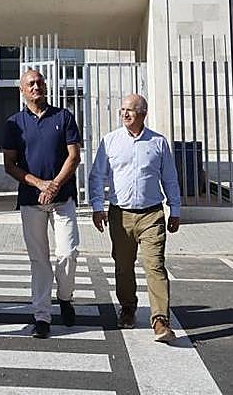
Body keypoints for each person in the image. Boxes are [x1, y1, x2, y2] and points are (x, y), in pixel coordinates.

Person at [88, 92, 181, 343]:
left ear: (143, 114)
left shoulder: (158, 143)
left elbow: (170, 178)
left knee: (155, 266)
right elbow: (97, 176)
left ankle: (160, 319)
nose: (125, 114)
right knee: (123, 267)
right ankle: (128, 308)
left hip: (152, 214)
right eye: (122, 110)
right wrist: (98, 207)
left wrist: (176, 209)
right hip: (120, 215)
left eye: (130, 110)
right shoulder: (110, 141)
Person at [2, 68, 82, 338]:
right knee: (39, 260)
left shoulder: (64, 116)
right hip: (30, 199)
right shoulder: (14, 123)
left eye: (39, 82)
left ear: (45, 86)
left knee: (68, 252)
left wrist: (55, 185)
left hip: (63, 199)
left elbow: (74, 157)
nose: (36, 86)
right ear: (22, 90)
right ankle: (42, 316)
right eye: (30, 84)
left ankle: (65, 297)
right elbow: (9, 165)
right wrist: (39, 184)